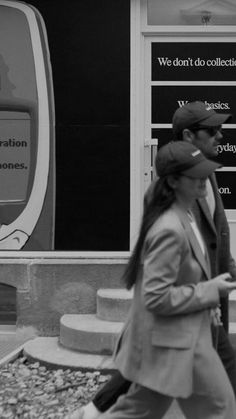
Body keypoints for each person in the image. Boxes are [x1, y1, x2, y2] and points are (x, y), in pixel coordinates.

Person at [67, 102, 236, 419]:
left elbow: (212, 244)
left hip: (191, 324)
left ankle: (94, 409)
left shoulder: (195, 189)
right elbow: (157, 292)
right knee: (216, 405)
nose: (220, 136)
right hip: (175, 331)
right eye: (211, 130)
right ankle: (94, 408)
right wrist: (207, 292)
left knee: (154, 404)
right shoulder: (170, 220)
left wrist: (216, 288)